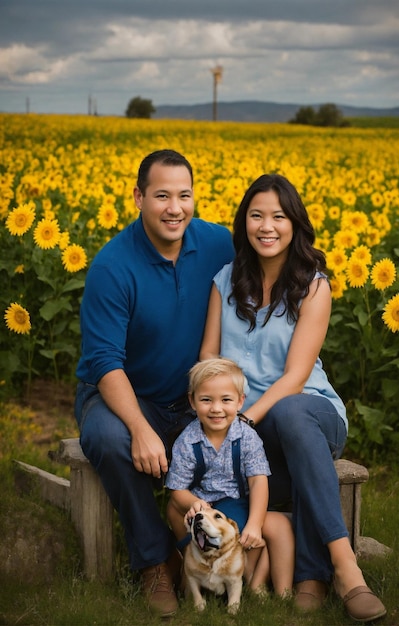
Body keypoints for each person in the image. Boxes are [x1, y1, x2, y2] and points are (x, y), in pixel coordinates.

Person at [199, 173, 387, 622]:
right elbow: (208, 355)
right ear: (244, 222)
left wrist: (241, 421)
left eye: (278, 216)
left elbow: (296, 377)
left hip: (311, 414)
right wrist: (218, 413)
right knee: (280, 450)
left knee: (291, 412)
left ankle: (345, 569)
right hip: (254, 432)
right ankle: (309, 576)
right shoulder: (224, 281)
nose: (267, 226)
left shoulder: (313, 287)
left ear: (294, 224)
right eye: (256, 215)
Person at [74, 149, 235, 617]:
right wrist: (141, 429)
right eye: (161, 195)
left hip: (189, 397)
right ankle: (153, 562)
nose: (174, 208)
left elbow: (266, 270)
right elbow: (105, 362)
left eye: (184, 195)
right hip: (124, 393)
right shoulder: (112, 266)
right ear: (138, 197)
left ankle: (215, 553)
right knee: (110, 438)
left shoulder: (219, 244)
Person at [166, 357, 294, 597]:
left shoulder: (246, 437)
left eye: (226, 400)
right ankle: (195, 569)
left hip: (237, 504)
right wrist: (194, 504)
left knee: (279, 527)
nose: (216, 408)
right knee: (175, 508)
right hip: (201, 504)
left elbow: (257, 481)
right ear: (192, 401)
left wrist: (255, 524)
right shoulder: (187, 440)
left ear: (240, 402)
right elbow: (177, 489)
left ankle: (278, 590)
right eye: (206, 400)